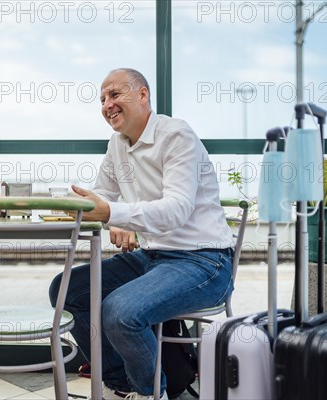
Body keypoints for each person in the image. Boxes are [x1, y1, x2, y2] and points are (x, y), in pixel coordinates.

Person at [49, 68, 235, 400]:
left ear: (143, 95)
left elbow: (176, 209)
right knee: (67, 290)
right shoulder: (117, 144)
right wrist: (99, 211)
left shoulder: (176, 135)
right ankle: (121, 385)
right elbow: (103, 197)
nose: (107, 104)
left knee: (120, 312)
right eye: (102, 99)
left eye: (114, 94)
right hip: (153, 257)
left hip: (205, 261)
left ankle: (150, 393)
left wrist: (114, 214)